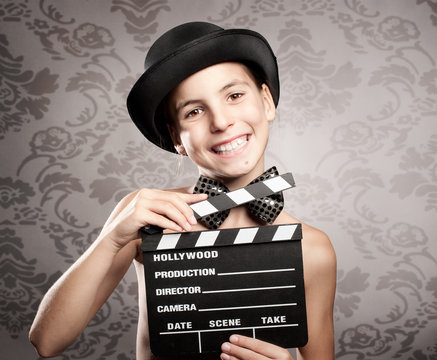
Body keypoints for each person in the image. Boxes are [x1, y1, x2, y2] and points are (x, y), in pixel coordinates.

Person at [29, 22, 336, 360]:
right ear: (176, 137)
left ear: (266, 102)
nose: (220, 122)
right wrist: (111, 239)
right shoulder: (146, 216)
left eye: (234, 95)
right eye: (194, 111)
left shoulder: (312, 248)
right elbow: (47, 341)